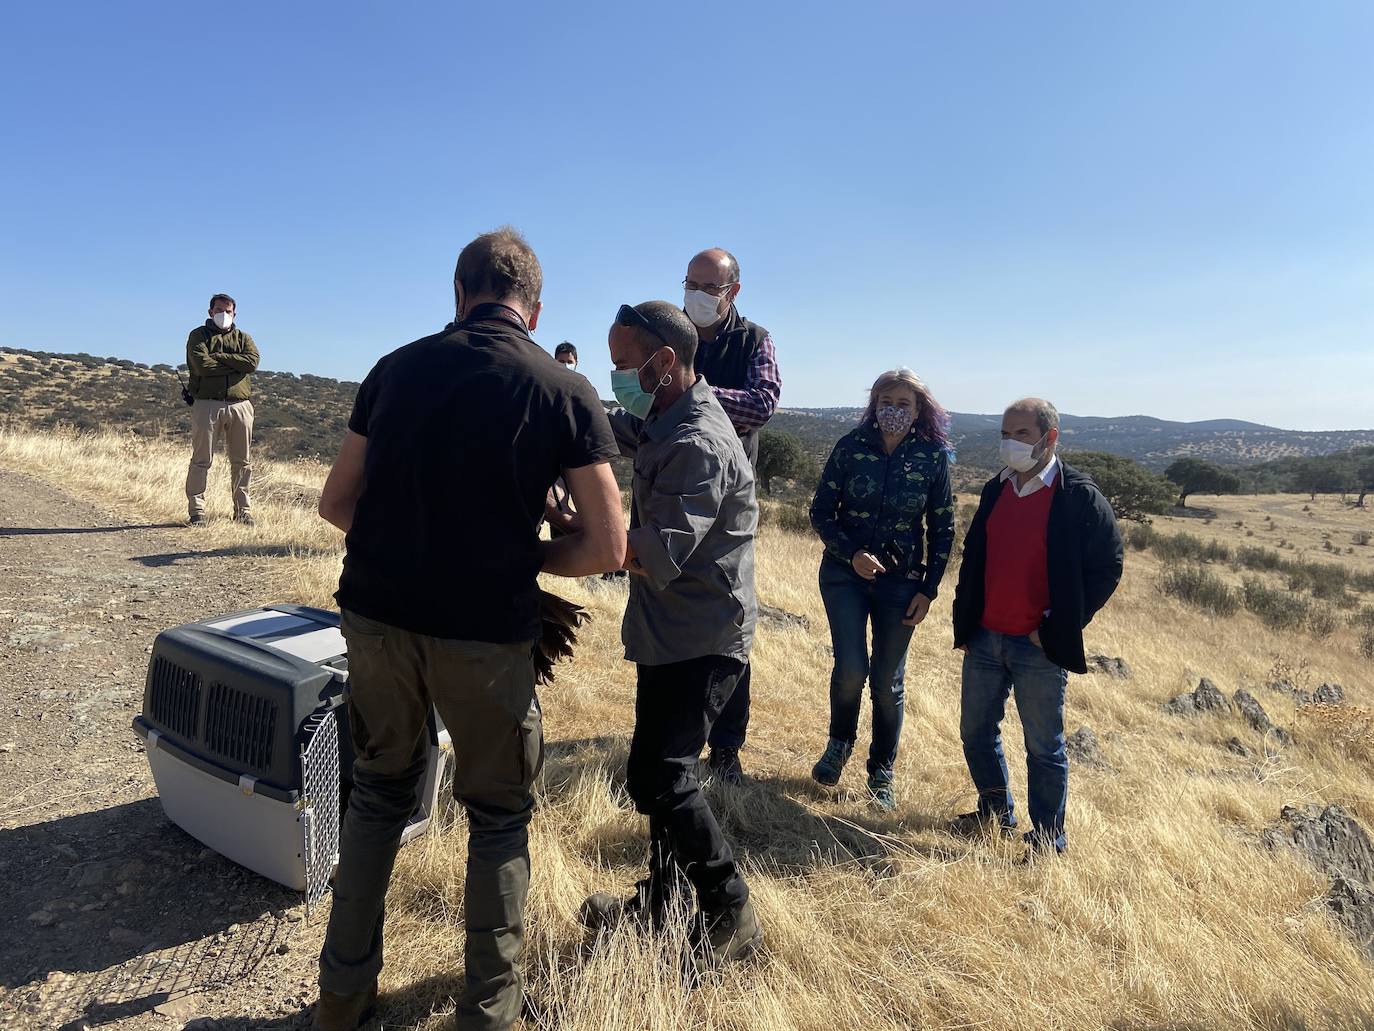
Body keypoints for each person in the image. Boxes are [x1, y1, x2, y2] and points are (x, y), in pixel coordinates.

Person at [312, 228, 626, 1031]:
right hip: (486, 634)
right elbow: (606, 545)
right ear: (535, 307)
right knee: (496, 815)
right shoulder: (563, 389)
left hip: (377, 616)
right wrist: (526, 556)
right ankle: (487, 1012)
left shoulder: (393, 369)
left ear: (458, 294)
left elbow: (336, 503)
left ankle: (342, 997)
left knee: (378, 794)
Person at [580, 300, 762, 966]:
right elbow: (617, 428)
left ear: (664, 362)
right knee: (657, 773)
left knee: (662, 773)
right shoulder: (666, 414)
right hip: (669, 629)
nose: (618, 378)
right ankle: (664, 901)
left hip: (703, 635)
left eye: (624, 365)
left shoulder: (698, 442)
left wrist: (574, 542)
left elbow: (655, 550)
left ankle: (728, 907)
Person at [950, 398, 1123, 857]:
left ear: (1050, 438)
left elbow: (1108, 567)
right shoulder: (996, 489)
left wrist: (1059, 627)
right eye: (1006, 433)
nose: (1010, 442)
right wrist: (964, 621)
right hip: (986, 636)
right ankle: (995, 814)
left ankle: (1048, 841)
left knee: (1044, 747)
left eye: (1022, 434)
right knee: (975, 732)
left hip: (1039, 649)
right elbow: (975, 558)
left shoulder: (1078, 497)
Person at [807, 369, 956, 810]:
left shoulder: (931, 457)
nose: (893, 411)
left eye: (903, 404)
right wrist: (851, 552)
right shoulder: (850, 447)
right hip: (843, 576)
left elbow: (943, 527)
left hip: (902, 583)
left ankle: (881, 771)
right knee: (851, 667)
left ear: (919, 410)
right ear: (874, 404)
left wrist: (928, 590)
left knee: (888, 682)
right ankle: (839, 745)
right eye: (885, 402)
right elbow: (821, 511)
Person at [682, 247, 781, 783]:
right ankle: (673, 734)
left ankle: (725, 747)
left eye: (708, 287)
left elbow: (761, 403)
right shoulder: (674, 331)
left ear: (732, 293)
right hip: (674, 490)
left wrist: (692, 393)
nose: (695, 295)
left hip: (728, 503)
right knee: (669, 614)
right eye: (689, 283)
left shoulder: (755, 340)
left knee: (730, 623)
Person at [184, 293, 259, 526]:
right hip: (207, 404)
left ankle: (242, 511)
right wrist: (235, 365)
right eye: (219, 310)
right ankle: (197, 511)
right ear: (210, 312)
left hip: (241, 406)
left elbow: (252, 363)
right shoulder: (198, 336)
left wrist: (220, 356)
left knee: (242, 462)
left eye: (228, 311)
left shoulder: (244, 338)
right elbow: (202, 366)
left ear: (234, 313)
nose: (223, 315)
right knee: (201, 460)